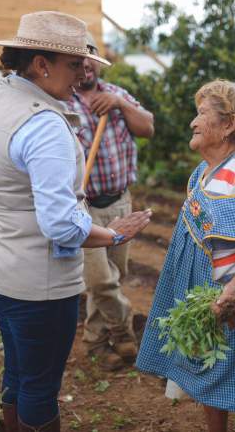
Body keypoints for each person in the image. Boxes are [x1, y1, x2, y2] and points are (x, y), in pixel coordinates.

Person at [0, 11, 151, 432]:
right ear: (41, 64)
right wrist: (113, 233)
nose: (83, 73)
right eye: (74, 65)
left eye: (86, 65)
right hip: (37, 283)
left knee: (19, 371)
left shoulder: (2, 102)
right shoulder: (44, 125)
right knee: (40, 386)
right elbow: (62, 226)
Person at [136, 80, 235, 432]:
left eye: (202, 114)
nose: (193, 122)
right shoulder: (203, 171)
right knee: (208, 376)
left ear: (229, 124)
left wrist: (230, 291)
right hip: (210, 291)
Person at [68, 33, 155, 371]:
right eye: (79, 57)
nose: (86, 63)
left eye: (91, 56)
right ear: (72, 64)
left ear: (99, 61)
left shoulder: (117, 95)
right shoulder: (63, 101)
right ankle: (124, 331)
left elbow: (147, 127)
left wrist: (120, 105)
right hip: (83, 206)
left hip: (120, 202)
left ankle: (94, 342)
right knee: (99, 280)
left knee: (114, 275)